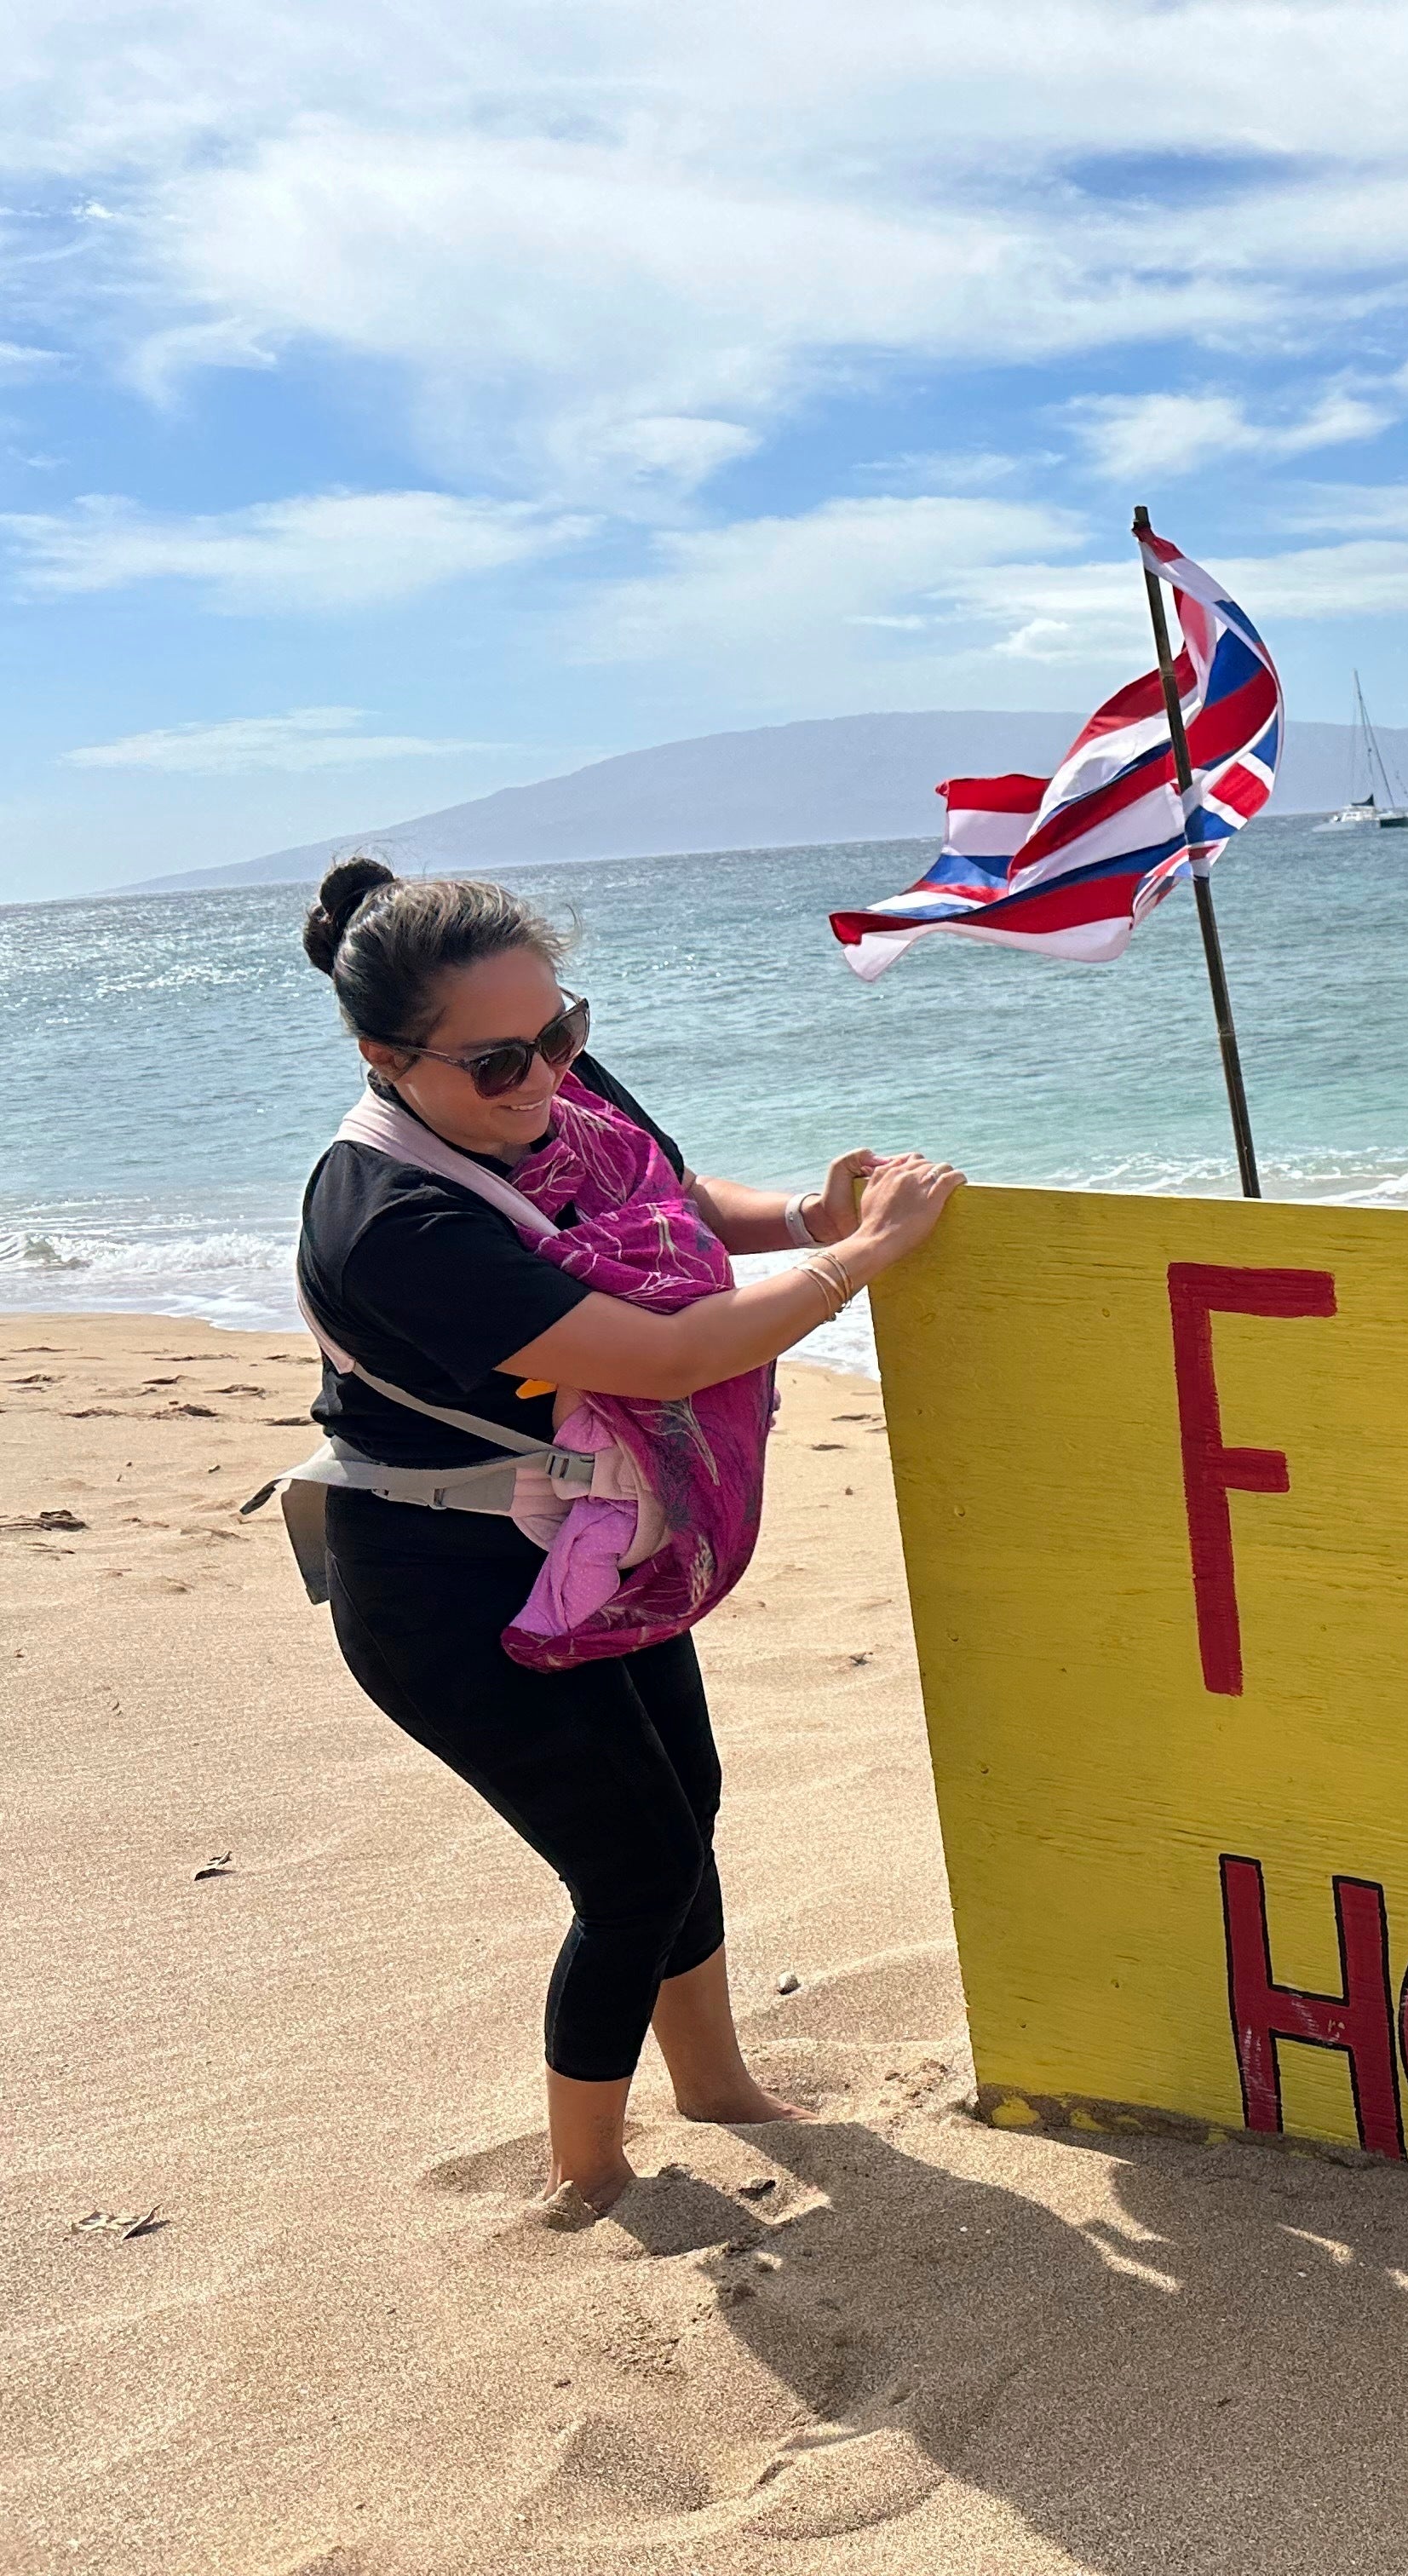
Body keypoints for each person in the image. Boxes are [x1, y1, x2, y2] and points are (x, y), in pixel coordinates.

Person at [292, 855, 964, 2225]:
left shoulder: (544, 1083)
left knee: (688, 1798)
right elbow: (662, 1358)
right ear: (385, 1056)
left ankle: (717, 2087)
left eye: (561, 1033)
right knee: (631, 1862)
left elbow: (674, 1201)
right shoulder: (389, 1223)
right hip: (438, 1579)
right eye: (496, 1062)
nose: (542, 1078)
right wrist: (854, 1266)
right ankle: (587, 2176)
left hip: (600, 1526)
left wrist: (809, 1218)